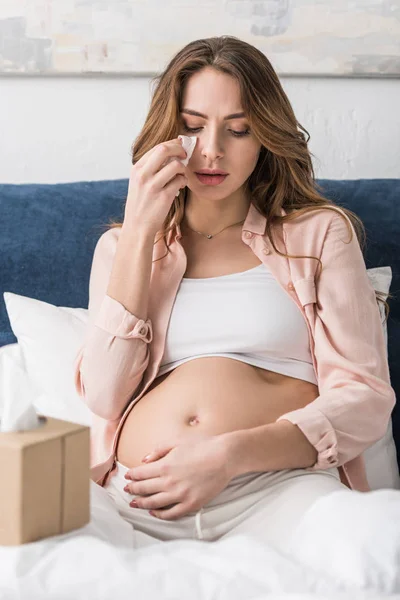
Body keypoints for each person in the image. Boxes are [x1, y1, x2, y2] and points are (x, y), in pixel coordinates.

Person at [73, 36, 395, 551]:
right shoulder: (121, 248)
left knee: (377, 546)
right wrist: (139, 231)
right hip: (136, 500)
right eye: (193, 126)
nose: (212, 150)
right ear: (167, 134)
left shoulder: (319, 235)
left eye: (239, 129)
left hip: (278, 489)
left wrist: (228, 455)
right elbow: (104, 396)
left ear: (265, 135)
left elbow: (365, 399)